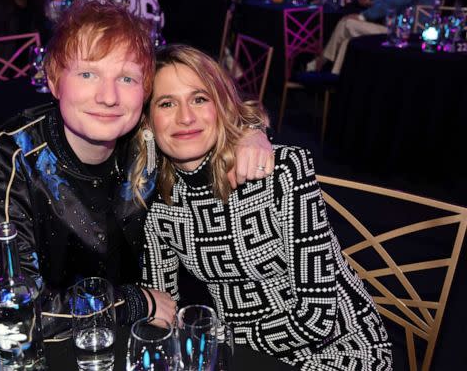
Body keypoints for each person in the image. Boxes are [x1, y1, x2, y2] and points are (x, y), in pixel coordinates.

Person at [0, 0, 275, 340]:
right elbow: (14, 310)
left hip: (138, 339)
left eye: (127, 78)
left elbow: (210, 113)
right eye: (88, 74)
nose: (109, 97)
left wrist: (251, 131)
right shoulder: (14, 157)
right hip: (45, 348)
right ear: (54, 79)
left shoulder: (146, 139)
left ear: (144, 90)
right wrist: (132, 302)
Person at [132, 44, 393, 370]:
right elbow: (163, 311)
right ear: (147, 122)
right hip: (243, 356)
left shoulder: (280, 171)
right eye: (167, 103)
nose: (186, 117)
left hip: (340, 348)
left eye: (199, 99)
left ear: (221, 105)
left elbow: (318, 315)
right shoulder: (157, 205)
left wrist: (215, 340)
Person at [314, 0, 437, 74]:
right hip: (399, 32)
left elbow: (395, 1)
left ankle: (320, 63)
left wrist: (363, 16)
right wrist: (372, 3)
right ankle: (337, 76)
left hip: (407, 36)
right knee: (348, 40)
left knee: (347, 23)